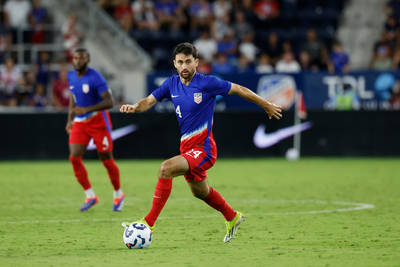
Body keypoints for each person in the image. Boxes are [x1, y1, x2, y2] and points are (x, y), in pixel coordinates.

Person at [120, 43, 282, 243]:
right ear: (175, 64)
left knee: (166, 168)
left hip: (204, 150)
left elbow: (239, 89)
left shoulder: (207, 83)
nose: (184, 66)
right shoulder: (171, 84)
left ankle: (148, 223)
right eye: (180, 62)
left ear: (196, 62)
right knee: (200, 192)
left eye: (188, 61)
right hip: (187, 149)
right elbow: (149, 101)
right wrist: (135, 107)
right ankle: (233, 217)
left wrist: (266, 104)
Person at [66, 48, 124, 212]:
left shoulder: (95, 77)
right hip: (80, 122)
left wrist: (87, 109)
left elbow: (110, 102)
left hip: (98, 121)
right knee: (74, 157)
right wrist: (70, 119)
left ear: (87, 60)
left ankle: (118, 193)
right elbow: (73, 97)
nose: (78, 61)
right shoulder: (71, 76)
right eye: (76, 58)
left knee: (106, 158)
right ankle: (90, 195)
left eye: (82, 58)